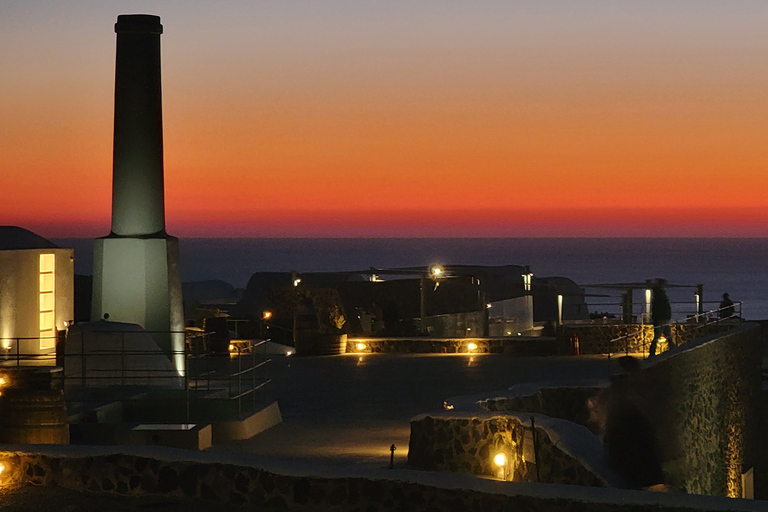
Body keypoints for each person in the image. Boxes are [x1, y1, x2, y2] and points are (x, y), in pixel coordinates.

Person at [649, 279, 673, 357]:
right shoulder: (659, 295)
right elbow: (661, 307)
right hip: (661, 318)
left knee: (663, 335)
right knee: (662, 335)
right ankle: (673, 349)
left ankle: (672, 348)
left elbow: (658, 307)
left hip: (661, 318)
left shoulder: (657, 295)